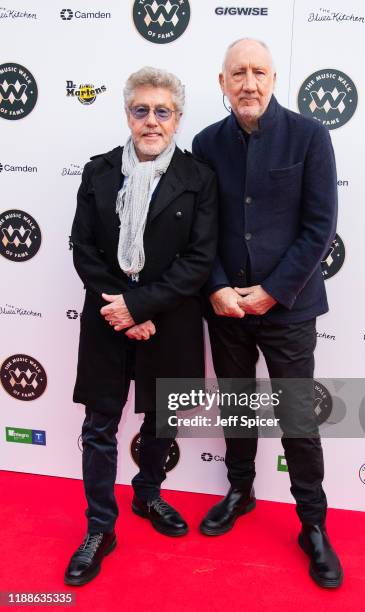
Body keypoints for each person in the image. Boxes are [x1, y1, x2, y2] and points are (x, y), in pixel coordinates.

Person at [192, 39, 343, 588]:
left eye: (258, 72)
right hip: (226, 306)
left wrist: (273, 292)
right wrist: (216, 288)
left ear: (274, 78)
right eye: (238, 74)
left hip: (290, 307)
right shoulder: (206, 143)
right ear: (222, 82)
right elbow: (199, 230)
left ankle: (313, 524)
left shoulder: (310, 136)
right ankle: (240, 490)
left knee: (297, 418)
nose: (248, 83)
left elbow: (319, 226)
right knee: (236, 406)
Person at [64, 66, 217, 586]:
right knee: (100, 427)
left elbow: (198, 260)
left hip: (168, 321)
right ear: (127, 113)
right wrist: (122, 310)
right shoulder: (99, 171)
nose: (152, 121)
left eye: (163, 111)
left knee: (160, 421)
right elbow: (83, 247)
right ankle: (99, 527)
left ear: (177, 118)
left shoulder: (199, 178)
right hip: (107, 317)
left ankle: (148, 495)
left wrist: (142, 307)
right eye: (141, 110)